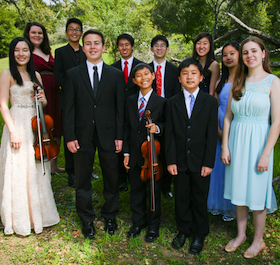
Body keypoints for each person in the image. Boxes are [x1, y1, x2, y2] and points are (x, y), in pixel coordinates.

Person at [63, 29, 125, 239]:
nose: (92, 47)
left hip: (109, 133)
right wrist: (70, 136)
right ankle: (87, 218)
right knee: (82, 178)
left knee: (111, 176)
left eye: (96, 43)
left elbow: (120, 108)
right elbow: (68, 109)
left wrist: (119, 135)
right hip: (82, 134)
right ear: (83, 47)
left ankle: (110, 215)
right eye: (88, 43)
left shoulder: (116, 75)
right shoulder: (73, 74)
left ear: (104, 47)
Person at [221, 36, 279, 259]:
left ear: (263, 53)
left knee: (256, 192)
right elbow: (227, 117)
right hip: (237, 139)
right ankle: (241, 234)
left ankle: (258, 240)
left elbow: (277, 122)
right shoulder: (238, 80)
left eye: (254, 51)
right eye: (245, 52)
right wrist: (225, 146)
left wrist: (266, 154)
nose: (250, 55)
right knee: (239, 190)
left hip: (259, 143)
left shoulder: (273, 82)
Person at [0, 37, 60, 236]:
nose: (21, 54)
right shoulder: (7, 73)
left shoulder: (35, 74)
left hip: (34, 125)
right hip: (17, 123)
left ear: (29, 52)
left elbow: (41, 104)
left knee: (35, 167)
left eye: (25, 50)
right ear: (12, 53)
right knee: (18, 167)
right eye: (17, 50)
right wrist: (13, 131)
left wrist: (43, 100)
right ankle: (20, 217)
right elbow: (2, 104)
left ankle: (39, 214)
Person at [165, 58, 218, 255]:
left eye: (194, 73)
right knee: (181, 197)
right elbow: (169, 133)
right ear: (179, 77)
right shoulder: (172, 102)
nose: (189, 77)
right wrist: (170, 160)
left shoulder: (210, 102)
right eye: (185, 73)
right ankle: (183, 230)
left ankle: (199, 233)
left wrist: (208, 162)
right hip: (178, 161)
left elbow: (212, 135)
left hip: (200, 161)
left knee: (199, 197)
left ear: (201, 77)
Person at [123, 63, 166, 242]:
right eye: (139, 76)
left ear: (153, 76)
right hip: (134, 153)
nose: (143, 78)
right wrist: (126, 153)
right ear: (134, 80)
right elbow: (125, 127)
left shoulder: (161, 102)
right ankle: (138, 222)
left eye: (147, 74)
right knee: (136, 190)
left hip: (152, 155)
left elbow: (167, 125)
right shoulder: (130, 100)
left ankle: (153, 226)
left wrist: (157, 128)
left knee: (153, 191)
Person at [24, 22, 64, 175]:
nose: (37, 36)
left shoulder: (47, 51)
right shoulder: (26, 51)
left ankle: (53, 166)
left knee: (56, 128)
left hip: (54, 93)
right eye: (33, 32)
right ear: (28, 34)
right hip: (39, 91)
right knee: (41, 127)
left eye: (40, 33)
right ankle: (39, 162)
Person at [207, 42, 240, 221]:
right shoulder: (221, 81)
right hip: (219, 125)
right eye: (225, 55)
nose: (228, 57)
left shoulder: (245, 79)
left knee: (234, 165)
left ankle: (235, 207)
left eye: (232, 54)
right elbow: (216, 104)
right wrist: (218, 130)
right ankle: (219, 204)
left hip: (237, 126)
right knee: (219, 165)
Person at [54, 18, 87, 187]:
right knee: (70, 133)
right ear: (66, 32)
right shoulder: (60, 52)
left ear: (81, 32)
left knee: (85, 135)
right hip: (68, 98)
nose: (74, 32)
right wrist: (72, 89)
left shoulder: (86, 51)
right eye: (71, 29)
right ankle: (71, 171)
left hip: (87, 100)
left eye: (78, 29)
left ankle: (85, 169)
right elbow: (58, 75)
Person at [149, 35, 181, 199]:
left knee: (168, 147)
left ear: (167, 49)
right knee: (152, 149)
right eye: (156, 45)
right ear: (151, 49)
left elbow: (177, 94)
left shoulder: (175, 71)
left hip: (169, 112)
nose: (159, 48)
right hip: (151, 112)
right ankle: (152, 181)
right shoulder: (145, 69)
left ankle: (167, 185)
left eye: (163, 45)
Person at [111, 33, 143, 192]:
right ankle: (121, 179)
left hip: (135, 110)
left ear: (132, 46)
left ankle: (134, 175)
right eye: (121, 45)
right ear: (118, 47)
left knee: (133, 141)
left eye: (127, 44)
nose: (124, 47)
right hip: (116, 110)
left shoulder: (141, 66)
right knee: (118, 143)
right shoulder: (111, 68)